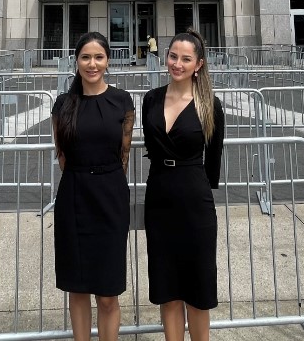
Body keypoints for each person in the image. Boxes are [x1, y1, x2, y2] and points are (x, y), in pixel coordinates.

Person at [142, 29, 225, 341]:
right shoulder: (150, 99)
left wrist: (199, 189)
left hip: (194, 200)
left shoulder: (209, 105)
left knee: (197, 287)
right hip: (159, 196)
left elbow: (213, 161)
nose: (177, 63)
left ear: (198, 64)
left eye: (185, 58)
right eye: (173, 56)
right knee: (167, 286)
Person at [51, 31, 135, 341]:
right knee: (78, 288)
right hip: (74, 197)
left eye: (98, 57)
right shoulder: (63, 105)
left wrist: (106, 180)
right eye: (86, 57)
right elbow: (62, 156)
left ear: (108, 61)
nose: (92, 63)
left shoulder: (122, 101)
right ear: (76, 62)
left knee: (108, 294)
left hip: (110, 197)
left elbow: (123, 154)